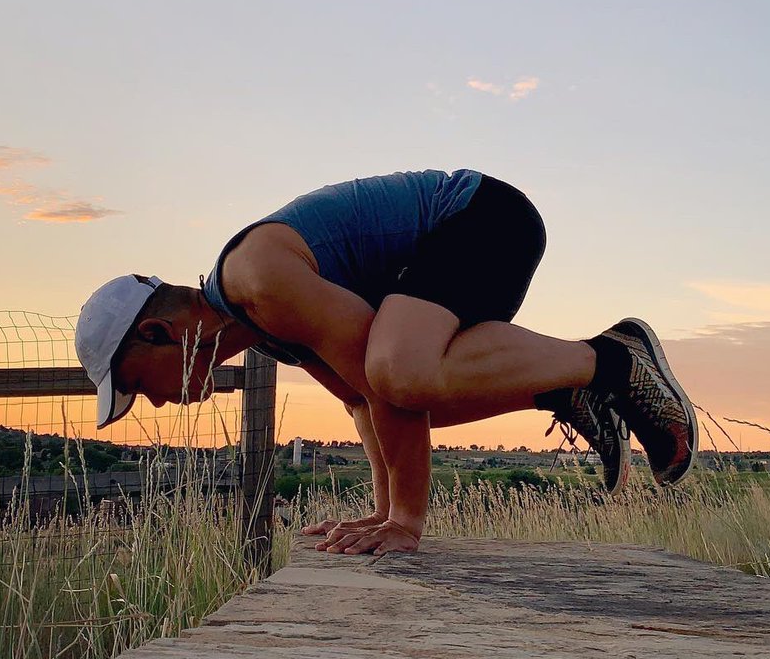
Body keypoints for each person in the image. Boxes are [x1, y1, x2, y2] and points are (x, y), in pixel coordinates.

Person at [75, 169, 697, 555]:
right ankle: (562, 385)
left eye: (138, 385)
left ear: (158, 333)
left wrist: (407, 521)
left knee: (402, 374)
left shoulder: (255, 279)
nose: (154, 404)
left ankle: (610, 360)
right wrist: (380, 511)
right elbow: (359, 399)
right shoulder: (258, 326)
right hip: (456, 243)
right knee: (410, 388)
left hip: (482, 217)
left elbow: (388, 390)